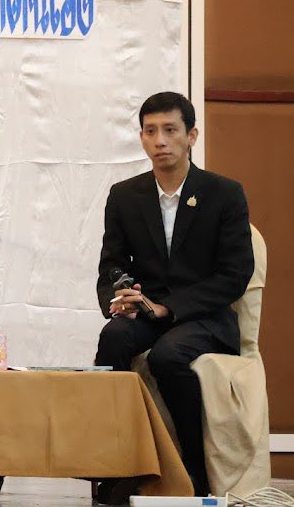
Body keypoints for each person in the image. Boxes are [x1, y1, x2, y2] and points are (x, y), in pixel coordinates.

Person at [94, 92, 254, 497]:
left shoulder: (224, 193)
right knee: (113, 338)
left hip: (204, 316)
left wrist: (171, 307)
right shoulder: (124, 195)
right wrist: (121, 295)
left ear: (191, 136)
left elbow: (235, 275)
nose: (160, 140)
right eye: (150, 131)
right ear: (141, 138)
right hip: (147, 312)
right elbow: (111, 264)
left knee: (168, 355)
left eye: (170, 130)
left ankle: (194, 473)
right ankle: (115, 464)